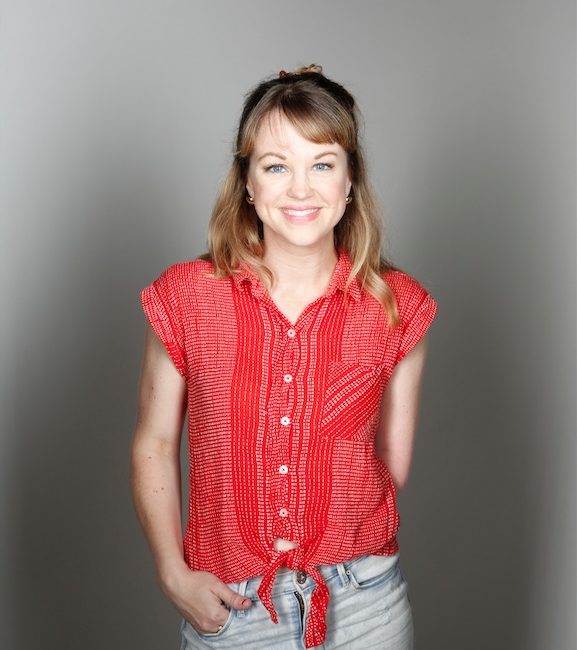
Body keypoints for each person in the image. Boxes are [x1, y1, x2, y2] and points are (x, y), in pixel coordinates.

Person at [131, 64, 437, 650]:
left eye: (322, 164)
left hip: (365, 607)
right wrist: (174, 573)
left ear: (350, 181)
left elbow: (388, 465)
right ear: (248, 182)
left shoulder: (397, 307)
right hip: (234, 607)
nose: (301, 189)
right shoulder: (187, 297)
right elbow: (154, 443)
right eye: (277, 166)